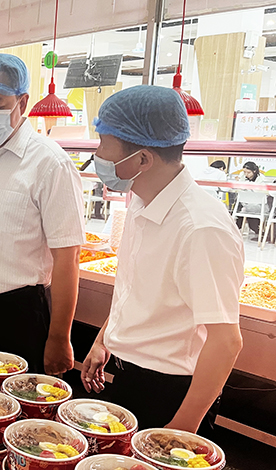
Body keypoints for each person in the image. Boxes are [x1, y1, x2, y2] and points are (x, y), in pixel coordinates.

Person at [81, 85, 244, 433]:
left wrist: (182, 426)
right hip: (129, 376)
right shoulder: (141, 200)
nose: (97, 154)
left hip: (170, 391)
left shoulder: (201, 228)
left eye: (104, 143)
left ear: (142, 159)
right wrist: (103, 339)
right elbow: (135, 288)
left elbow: (226, 341)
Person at [0, 54, 85, 374]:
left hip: (17, 316)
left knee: (13, 403)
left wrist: (59, 337)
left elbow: (68, 257)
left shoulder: (50, 163)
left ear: (22, 102)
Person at [235, 161, 270, 237]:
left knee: (246, 210)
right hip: (246, 204)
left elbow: (263, 192)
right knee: (240, 207)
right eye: (244, 172)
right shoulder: (242, 175)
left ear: (254, 171)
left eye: (248, 172)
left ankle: (238, 228)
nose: (246, 174)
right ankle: (235, 229)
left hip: (258, 205)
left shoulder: (261, 179)